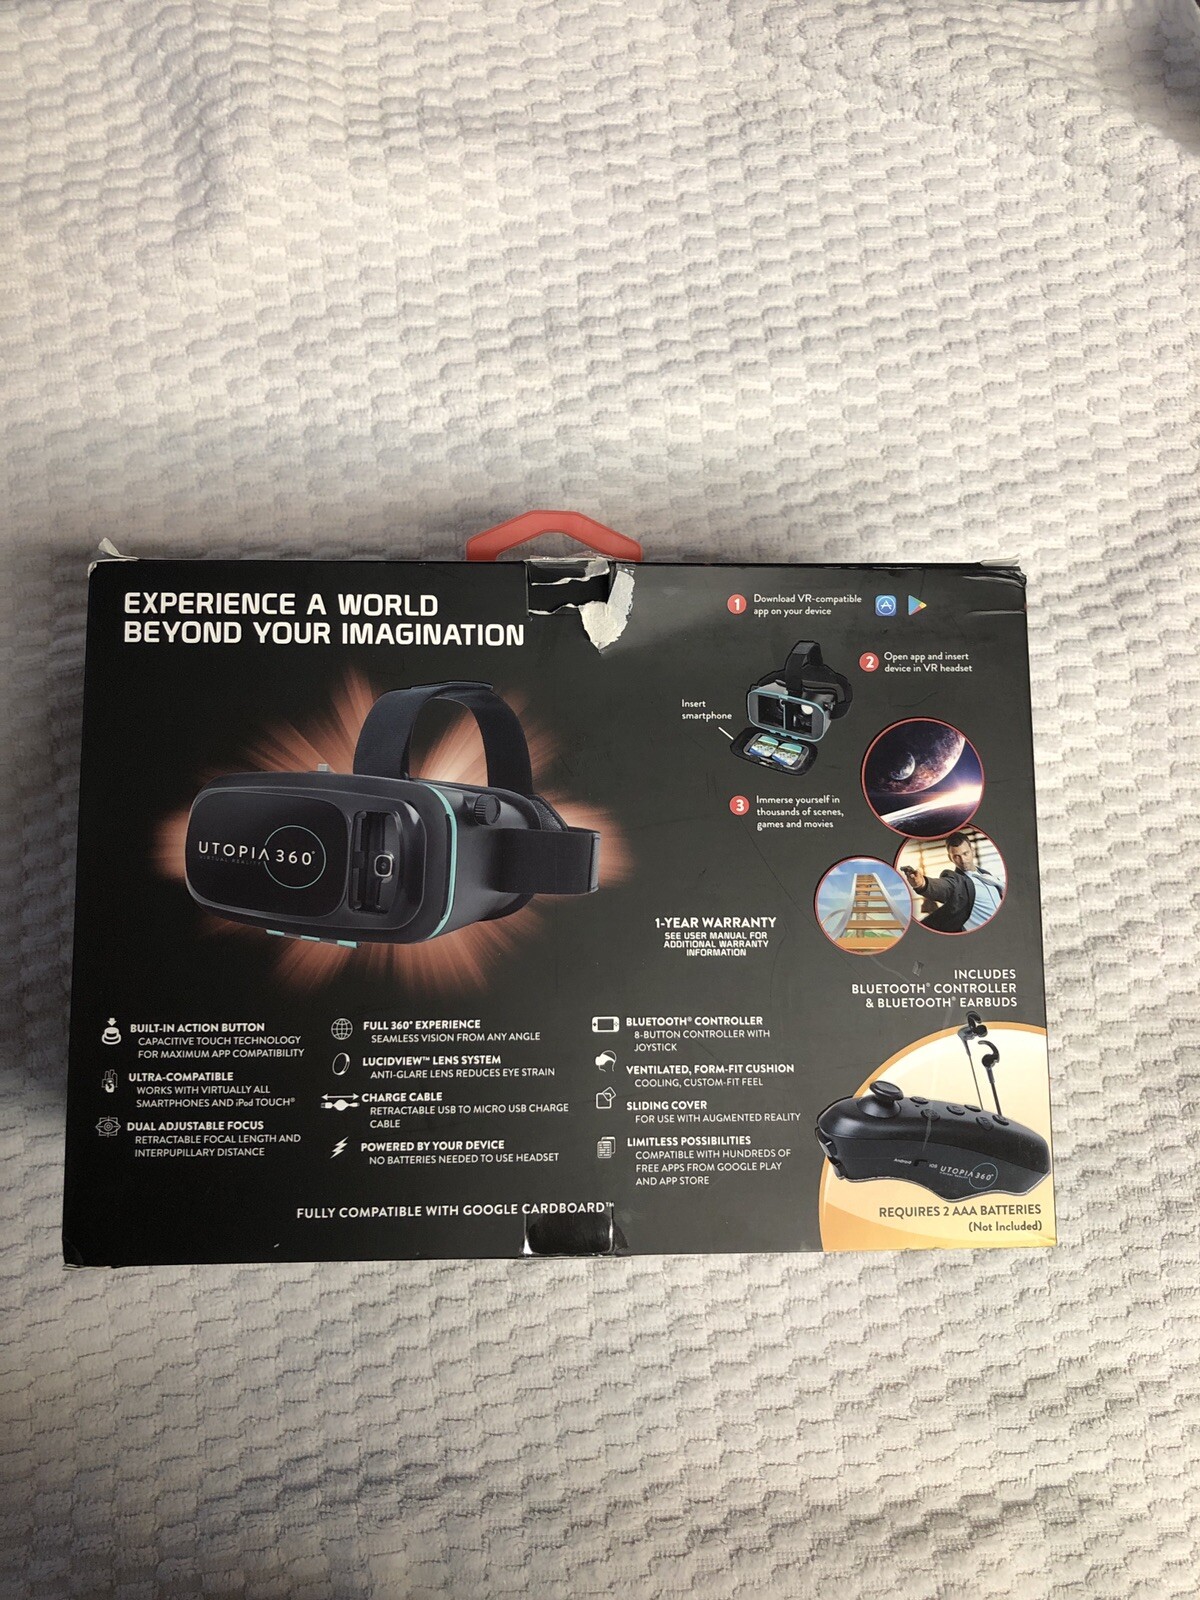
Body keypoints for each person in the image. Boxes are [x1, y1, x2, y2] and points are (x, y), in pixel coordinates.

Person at [901, 832, 1004, 933]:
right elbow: (943, 886)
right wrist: (922, 884)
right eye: (956, 856)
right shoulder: (956, 881)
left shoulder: (986, 875)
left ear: (972, 851)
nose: (963, 860)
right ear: (950, 858)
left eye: (965, 853)